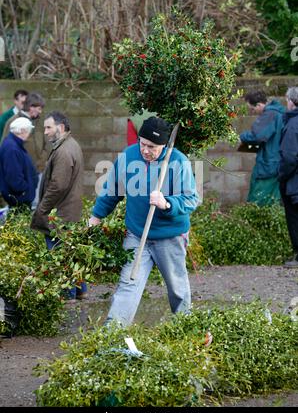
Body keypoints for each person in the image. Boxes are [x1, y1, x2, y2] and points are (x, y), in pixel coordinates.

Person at [89, 116, 200, 327]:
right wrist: (96, 217)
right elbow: (112, 189)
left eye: (152, 147)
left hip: (170, 237)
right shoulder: (128, 156)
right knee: (128, 283)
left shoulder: (178, 162)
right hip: (136, 234)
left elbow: (191, 199)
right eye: (143, 143)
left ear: (164, 146)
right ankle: (113, 332)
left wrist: (166, 203)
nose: (145, 150)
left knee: (177, 288)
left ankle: (186, 329)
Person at [30, 111, 86, 301]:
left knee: (60, 258)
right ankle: (80, 290)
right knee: (71, 254)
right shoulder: (70, 145)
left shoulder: (63, 151)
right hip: (68, 212)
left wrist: (42, 209)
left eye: (48, 127)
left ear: (60, 128)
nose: (45, 132)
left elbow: (57, 185)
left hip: (60, 216)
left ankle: (67, 298)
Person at [240, 90, 285, 206]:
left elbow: (257, 136)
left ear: (259, 104)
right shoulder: (280, 113)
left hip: (269, 165)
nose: (252, 112)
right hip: (278, 164)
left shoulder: (269, 115)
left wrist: (242, 136)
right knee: (274, 203)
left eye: (252, 109)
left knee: (257, 201)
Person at [278, 87, 298, 267]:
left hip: (295, 182)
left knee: (295, 218)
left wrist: (282, 176)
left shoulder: (293, 124)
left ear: (292, 102)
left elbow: (289, 157)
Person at [0, 117, 38, 211]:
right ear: (22, 131)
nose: (29, 134)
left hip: (19, 198)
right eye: (29, 131)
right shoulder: (12, 148)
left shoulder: (13, 144)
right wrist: (26, 189)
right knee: (19, 224)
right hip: (19, 200)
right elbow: (14, 178)